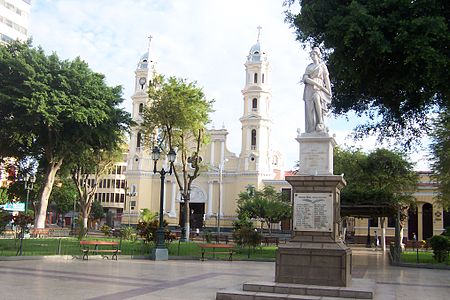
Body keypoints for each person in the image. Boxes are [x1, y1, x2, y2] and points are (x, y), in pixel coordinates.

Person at [301, 47, 332, 133]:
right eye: (311, 54)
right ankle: (311, 128)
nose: (312, 56)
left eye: (314, 54)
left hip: (319, 88)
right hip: (309, 88)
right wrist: (313, 82)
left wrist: (329, 91)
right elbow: (305, 77)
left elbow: (326, 79)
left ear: (318, 55)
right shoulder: (309, 66)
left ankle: (320, 121)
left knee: (317, 98)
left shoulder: (322, 66)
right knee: (309, 108)